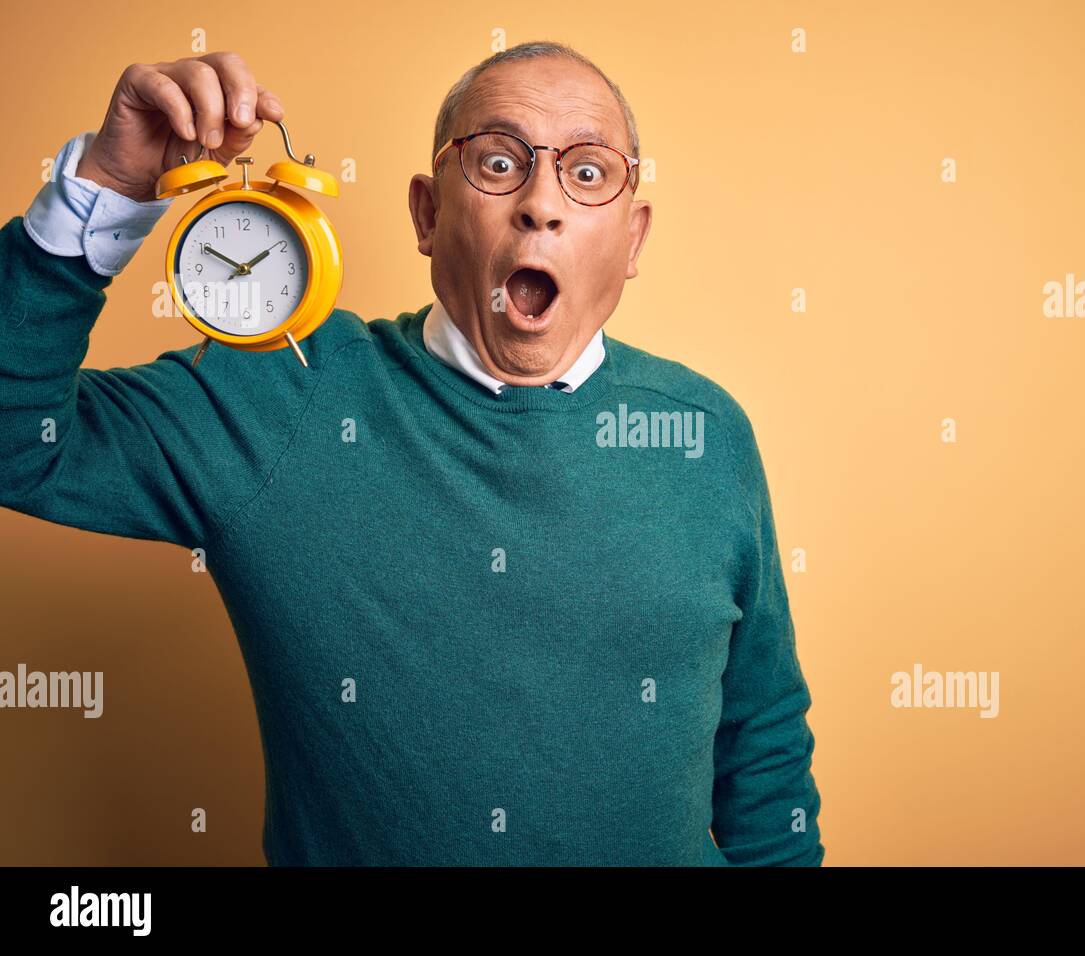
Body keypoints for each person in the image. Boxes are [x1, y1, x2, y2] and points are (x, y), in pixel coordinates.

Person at [1, 41, 824, 866]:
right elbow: (18, 445)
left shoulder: (704, 434)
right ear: (427, 216)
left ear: (633, 237)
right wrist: (105, 186)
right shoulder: (278, 398)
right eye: (499, 161)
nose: (541, 203)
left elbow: (763, 747)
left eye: (585, 172)